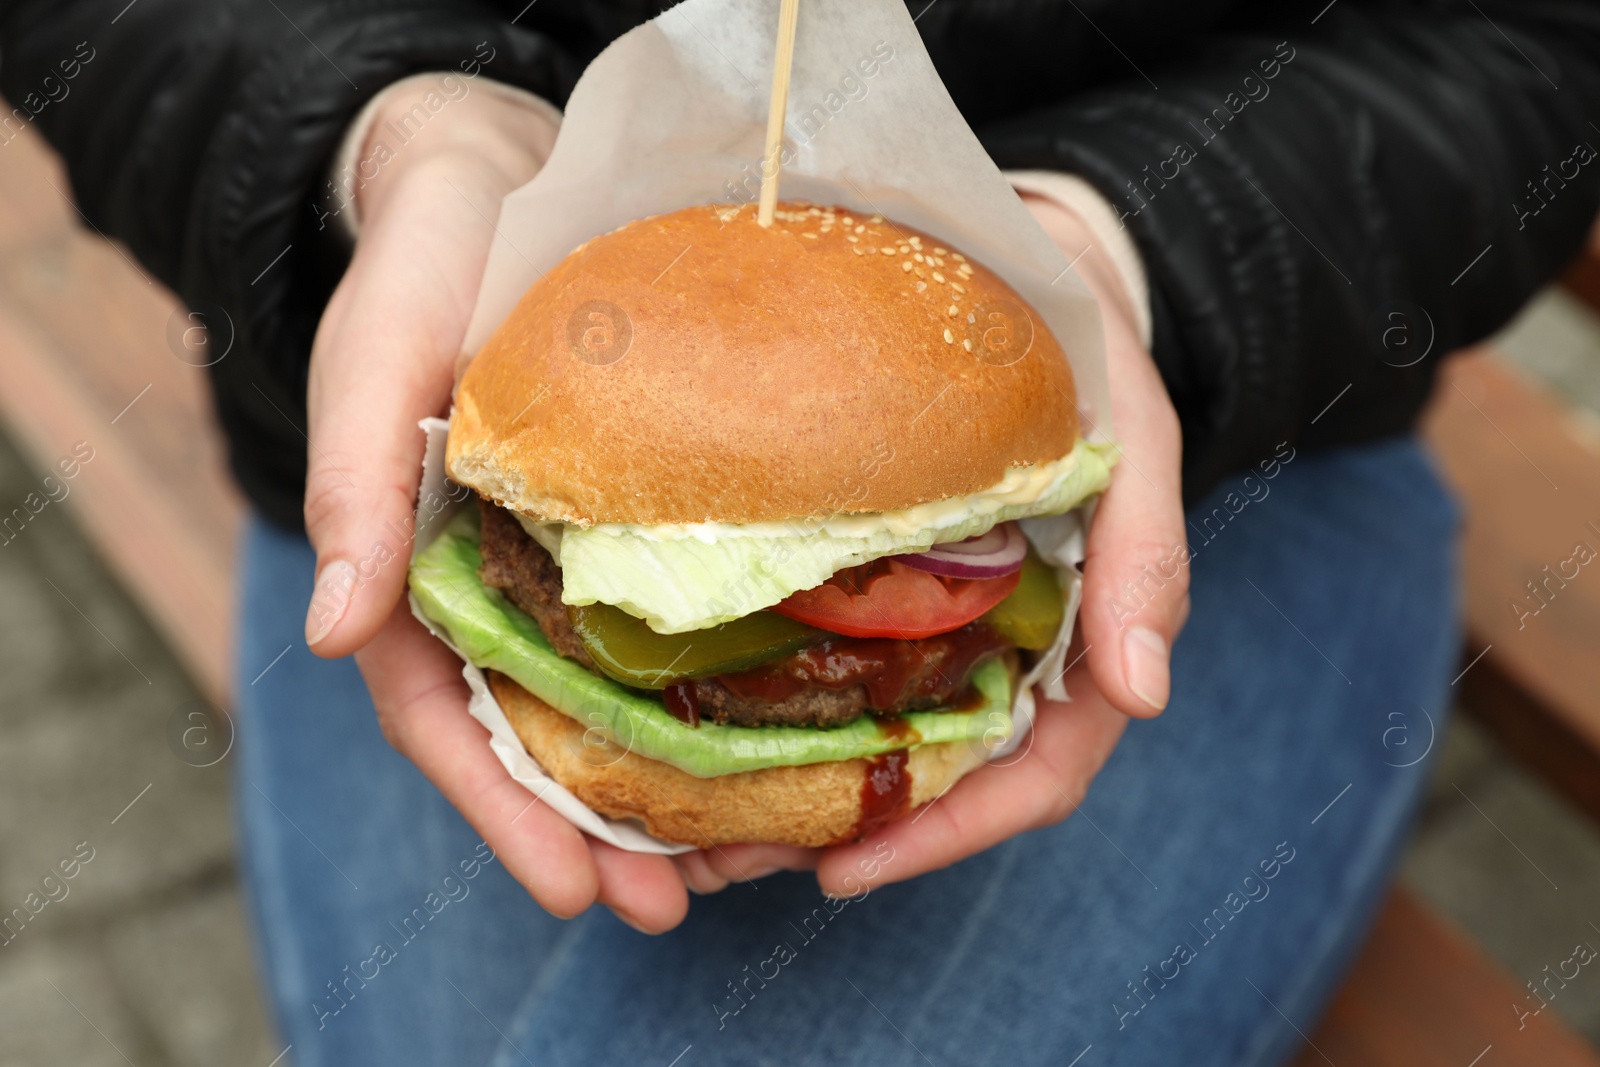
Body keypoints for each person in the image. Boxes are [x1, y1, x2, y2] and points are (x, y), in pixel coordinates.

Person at [4, 1, 1597, 1063]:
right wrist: (397, 134)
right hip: (427, 421)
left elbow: (1529, 46)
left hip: (1250, 447)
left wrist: (1119, 253)